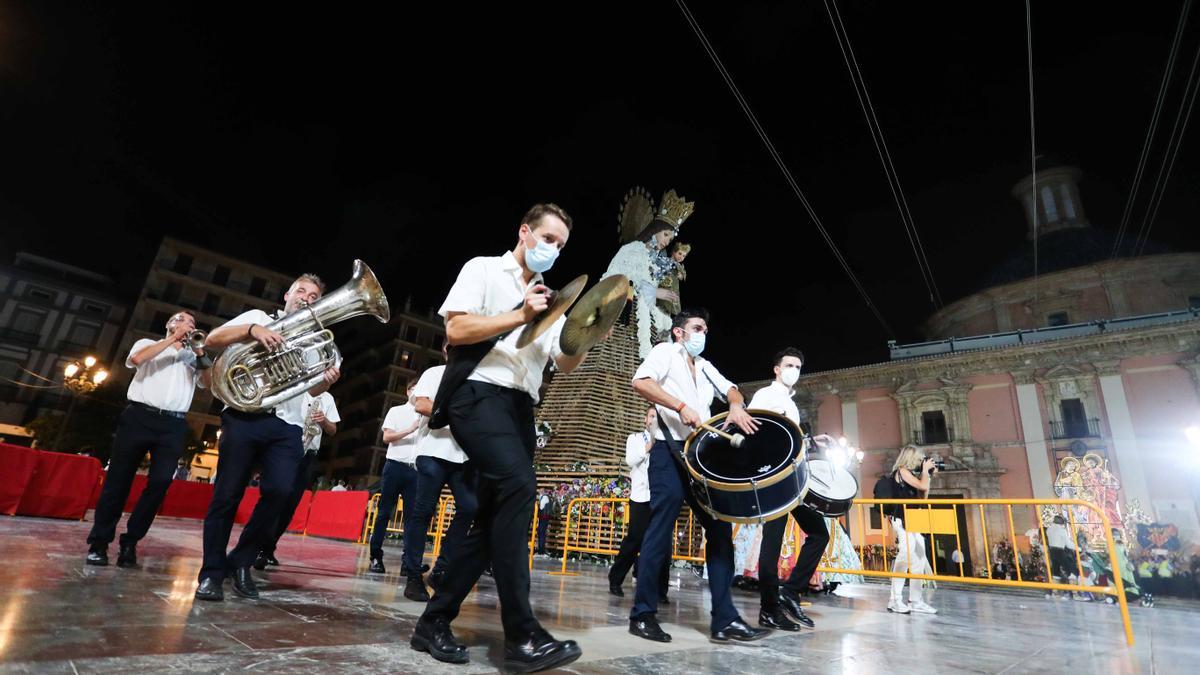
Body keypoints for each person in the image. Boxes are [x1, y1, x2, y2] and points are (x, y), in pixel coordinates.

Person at [410, 203, 599, 672]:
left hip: (520, 408)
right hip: (477, 392)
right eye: (548, 239)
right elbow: (456, 328)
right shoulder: (484, 270)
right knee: (519, 486)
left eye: (561, 245)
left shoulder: (549, 300)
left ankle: (432, 623)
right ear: (524, 232)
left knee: (487, 516)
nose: (553, 250)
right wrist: (519, 315)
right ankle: (523, 634)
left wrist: (592, 330)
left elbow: (564, 361)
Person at [627, 308, 771, 644]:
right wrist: (679, 407)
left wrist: (736, 405)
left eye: (705, 328)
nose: (702, 333)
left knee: (720, 532)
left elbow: (731, 388)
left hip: (699, 455)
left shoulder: (705, 367)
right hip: (668, 452)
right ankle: (643, 614)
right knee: (661, 529)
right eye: (697, 327)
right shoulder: (664, 353)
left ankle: (725, 619)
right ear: (679, 332)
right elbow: (640, 382)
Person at [194, 273, 340, 602]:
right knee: (226, 496)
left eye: (314, 296)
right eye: (301, 291)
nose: (306, 297)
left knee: (281, 492)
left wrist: (327, 380)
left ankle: (242, 561)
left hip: (287, 423)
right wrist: (252, 331)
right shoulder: (258, 318)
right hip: (244, 417)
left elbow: (313, 387)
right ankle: (212, 573)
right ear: (287, 294)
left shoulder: (314, 338)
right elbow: (214, 339)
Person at [86, 311, 210, 567]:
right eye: (182, 320)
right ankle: (99, 542)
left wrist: (200, 353)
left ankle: (130, 541)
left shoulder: (193, 356)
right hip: (139, 417)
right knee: (118, 481)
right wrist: (172, 339)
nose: (188, 325)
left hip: (174, 423)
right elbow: (137, 359)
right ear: (170, 324)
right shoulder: (147, 344)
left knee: (162, 482)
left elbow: (207, 383)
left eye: (192, 323)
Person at [746, 347, 827, 631]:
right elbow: (752, 431)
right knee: (772, 544)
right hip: (774, 479)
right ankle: (769, 609)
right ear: (777, 369)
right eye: (789, 365)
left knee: (819, 533)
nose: (794, 370)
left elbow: (790, 438)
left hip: (795, 479)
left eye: (798, 366)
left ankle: (790, 592)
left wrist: (812, 439)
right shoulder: (765, 396)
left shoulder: (790, 403)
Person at [401, 352, 478, 601]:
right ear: (447, 350)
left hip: (462, 456)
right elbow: (422, 404)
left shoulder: (475, 378)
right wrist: (458, 413)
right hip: (432, 452)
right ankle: (413, 575)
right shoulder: (434, 373)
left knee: (470, 507)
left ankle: (442, 568)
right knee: (423, 511)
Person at [256, 390, 340, 568]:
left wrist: (323, 420)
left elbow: (333, 430)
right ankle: (258, 546)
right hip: (286, 448)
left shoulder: (328, 398)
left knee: (291, 504)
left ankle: (268, 548)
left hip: (309, 454)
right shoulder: (297, 388)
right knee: (275, 497)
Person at [608, 406, 671, 601]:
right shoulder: (634, 438)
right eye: (651, 416)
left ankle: (660, 590)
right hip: (640, 497)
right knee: (634, 539)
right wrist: (648, 447)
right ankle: (616, 578)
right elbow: (630, 460)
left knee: (663, 543)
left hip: (659, 497)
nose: (653, 420)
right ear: (645, 420)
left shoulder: (666, 442)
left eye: (657, 417)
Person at [368, 381, 424, 575]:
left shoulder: (427, 416)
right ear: (408, 390)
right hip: (395, 466)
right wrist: (411, 429)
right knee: (384, 513)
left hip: (416, 471)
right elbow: (387, 437)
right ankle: (375, 557)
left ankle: (407, 563)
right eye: (417, 388)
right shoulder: (396, 411)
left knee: (412, 518)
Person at [887, 445, 939, 614]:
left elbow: (923, 496)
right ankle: (894, 599)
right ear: (911, 458)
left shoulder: (913, 476)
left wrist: (927, 476)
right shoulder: (902, 472)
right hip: (901, 518)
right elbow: (922, 487)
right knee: (906, 555)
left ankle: (915, 600)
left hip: (913, 518)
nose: (920, 462)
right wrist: (924, 473)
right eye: (919, 459)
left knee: (920, 557)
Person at [655, 241, 690, 318]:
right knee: (660, 307)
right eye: (679, 253)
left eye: (684, 256)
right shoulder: (665, 260)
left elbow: (684, 275)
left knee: (668, 310)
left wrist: (681, 276)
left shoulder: (679, 266)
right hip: (663, 287)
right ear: (674, 252)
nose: (681, 257)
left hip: (673, 290)